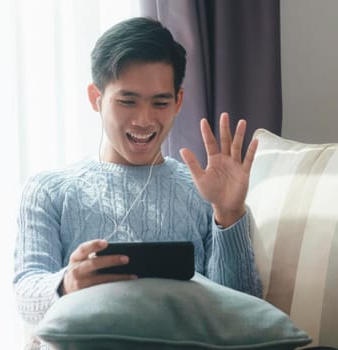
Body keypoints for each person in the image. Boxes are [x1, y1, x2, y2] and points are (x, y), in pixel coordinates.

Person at [13, 16, 261, 328]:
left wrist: (229, 214)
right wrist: (66, 283)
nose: (144, 120)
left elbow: (241, 311)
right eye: (127, 101)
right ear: (96, 99)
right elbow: (26, 295)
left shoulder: (205, 192)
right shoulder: (48, 190)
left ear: (178, 101)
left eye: (160, 103)